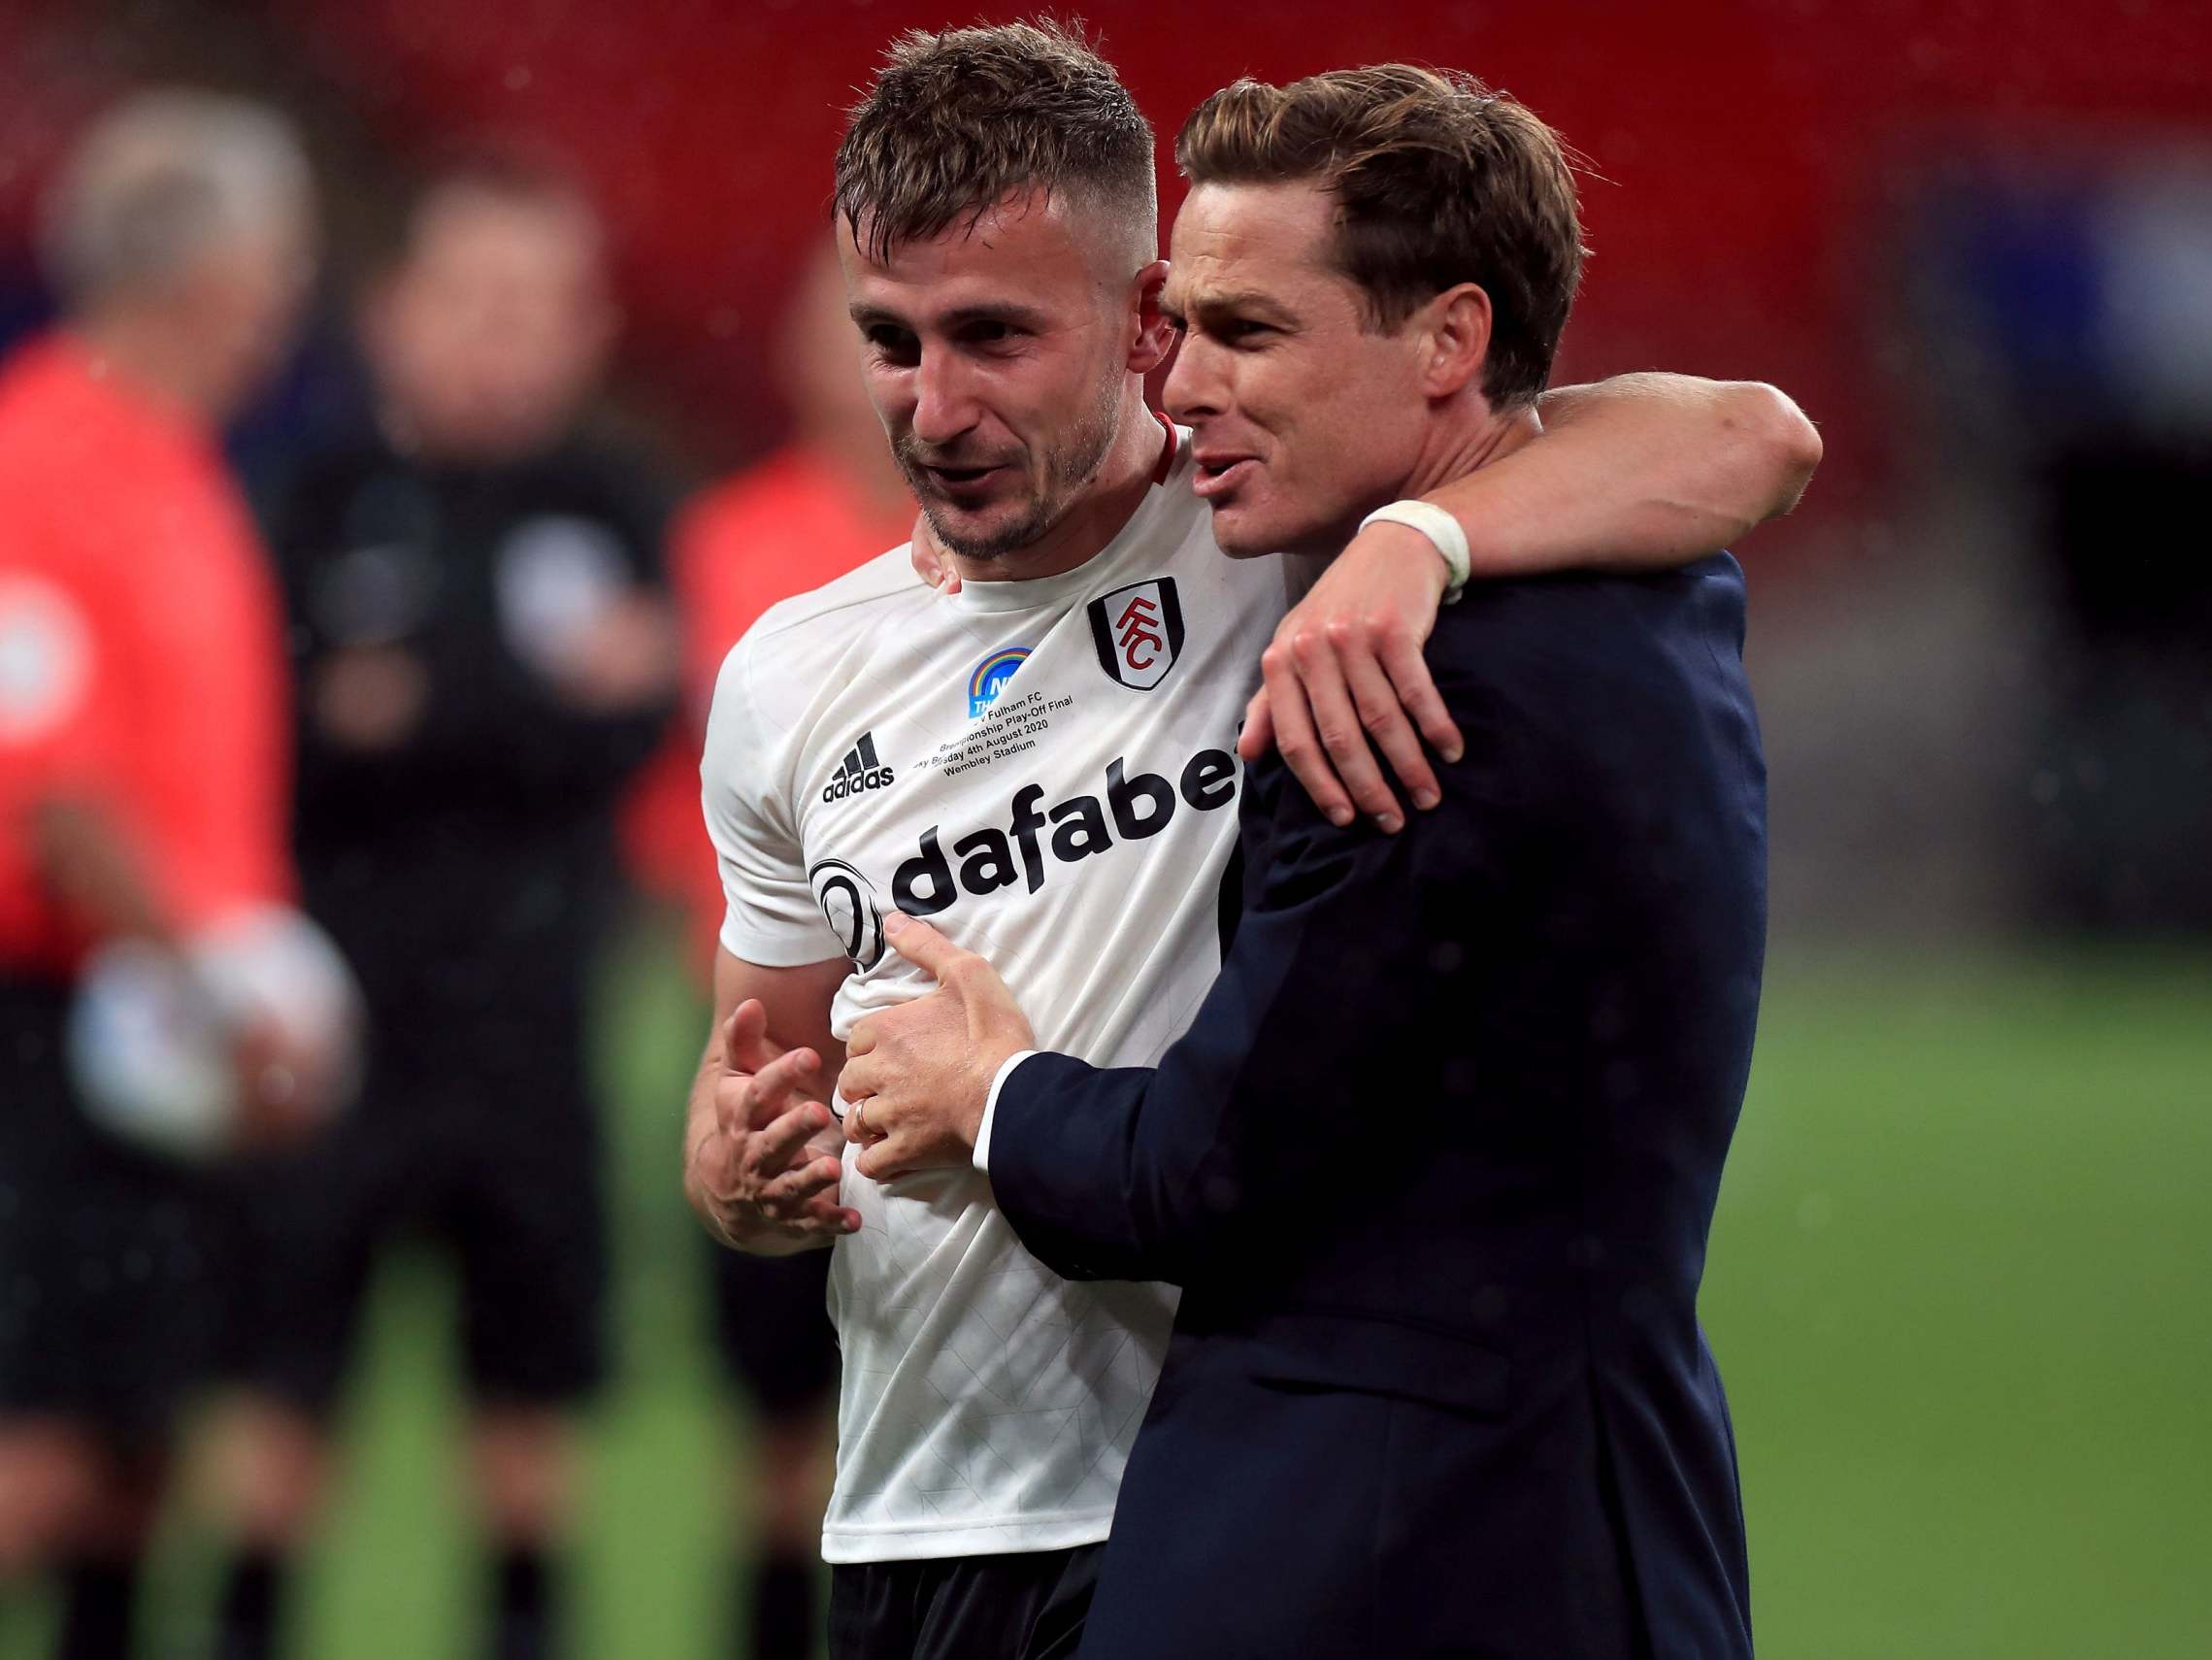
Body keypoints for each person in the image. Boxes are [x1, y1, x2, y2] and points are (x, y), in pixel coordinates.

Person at [682, 22, 1816, 1660]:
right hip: (922, 1500)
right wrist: (740, 1173)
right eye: (893, 341)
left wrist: (1418, 542)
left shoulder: (1271, 523)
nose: (931, 408)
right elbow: (761, 1089)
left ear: (1139, 320)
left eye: (994, 337)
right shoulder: (789, 675)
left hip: (1195, 1483)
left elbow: (1753, 437)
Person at [212, 156, 675, 1660]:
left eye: (538, 306)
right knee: (283, 1383)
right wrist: (520, 700)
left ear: (588, 329)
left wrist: (414, 710)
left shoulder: (612, 499)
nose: (502, 335)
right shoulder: (308, 494)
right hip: (331, 1027)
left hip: (534, 1030)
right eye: (472, 298)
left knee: (533, 1392)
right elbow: (280, 727)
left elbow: (633, 720)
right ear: (393, 310)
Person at [0, 90, 324, 1660]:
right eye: (278, 256)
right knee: (44, 1448)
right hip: (58, 1024)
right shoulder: (49, 457)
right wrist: (223, 1005)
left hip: (143, 1033)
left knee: (132, 1458)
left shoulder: (173, 461)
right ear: (214, 268)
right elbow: (56, 797)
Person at [622, 246, 912, 1660]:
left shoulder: (994, 547)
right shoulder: (728, 541)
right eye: (846, 332)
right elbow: (684, 793)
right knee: (776, 1436)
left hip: (949, 1042)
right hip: (781, 1036)